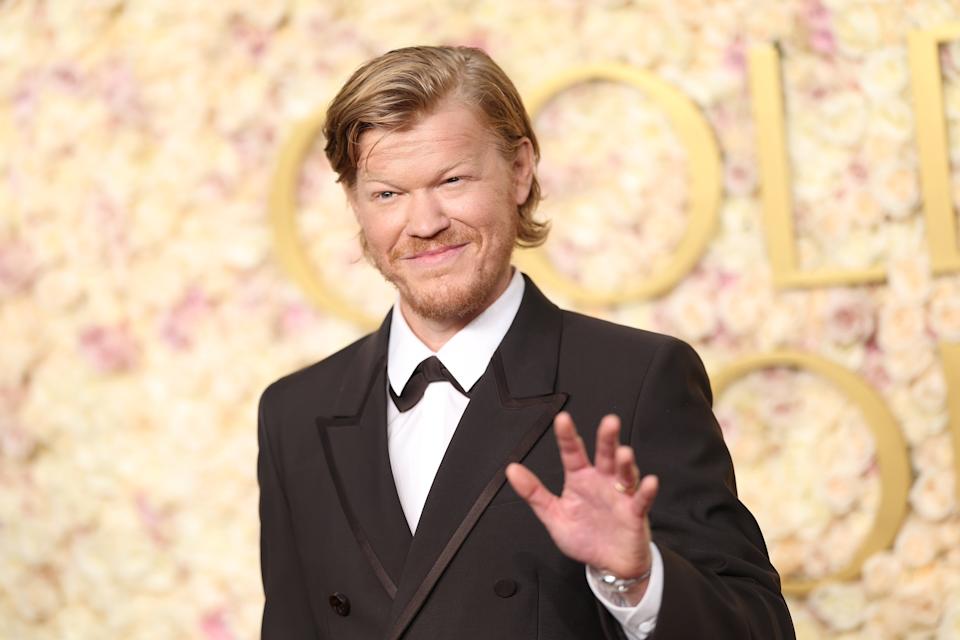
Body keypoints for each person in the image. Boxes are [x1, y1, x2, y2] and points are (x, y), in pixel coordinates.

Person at [257, 45, 794, 639]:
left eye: (453, 180)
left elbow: (761, 630)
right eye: (388, 194)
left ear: (519, 170)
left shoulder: (637, 380)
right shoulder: (294, 412)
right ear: (355, 203)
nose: (425, 222)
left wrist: (637, 580)